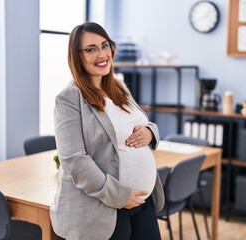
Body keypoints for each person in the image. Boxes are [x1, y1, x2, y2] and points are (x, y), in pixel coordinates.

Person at [50, 22, 164, 240]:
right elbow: (73, 159)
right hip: (103, 209)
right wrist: (120, 196)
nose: (102, 54)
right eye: (91, 49)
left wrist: (150, 132)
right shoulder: (69, 98)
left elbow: (141, 122)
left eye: (105, 45)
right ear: (77, 56)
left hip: (142, 202)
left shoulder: (118, 87)